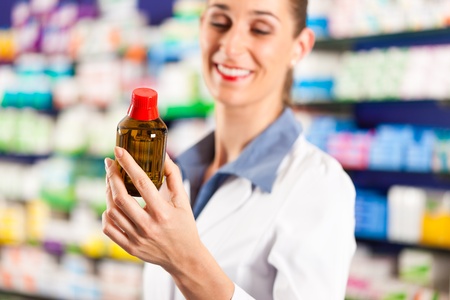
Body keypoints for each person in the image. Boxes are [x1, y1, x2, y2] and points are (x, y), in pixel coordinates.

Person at [102, 0, 356, 299]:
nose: (231, 45)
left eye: (260, 29)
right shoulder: (178, 170)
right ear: (201, 28)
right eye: (220, 22)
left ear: (298, 47)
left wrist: (186, 262)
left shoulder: (318, 184)